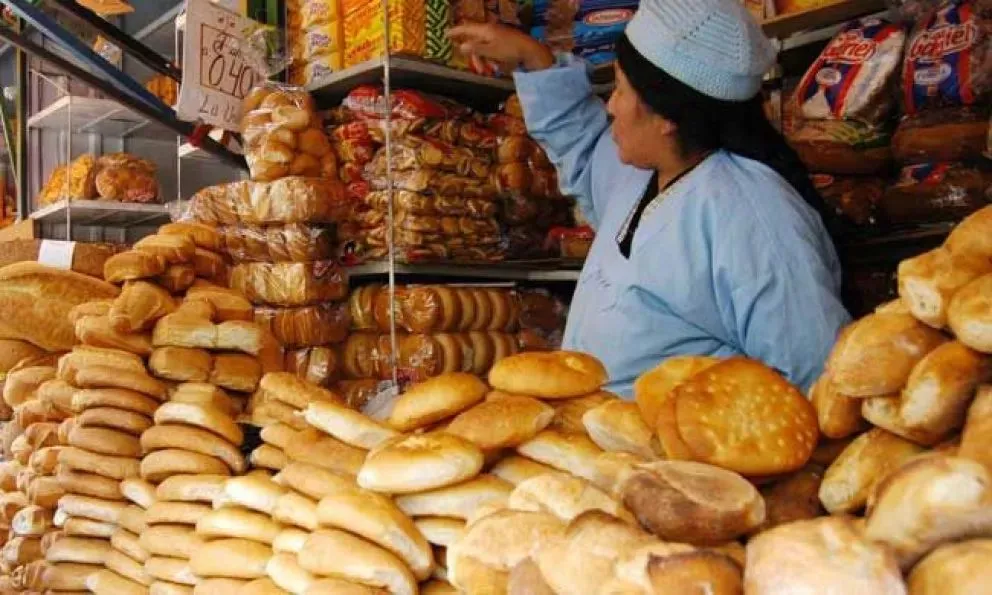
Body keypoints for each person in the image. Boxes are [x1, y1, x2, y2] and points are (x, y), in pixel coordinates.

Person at [450, 0, 851, 397]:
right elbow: (582, 147)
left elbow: (814, 378)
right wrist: (532, 58)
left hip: (682, 439)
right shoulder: (643, 172)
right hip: (603, 434)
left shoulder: (755, 217)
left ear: (667, 118)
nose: (610, 106)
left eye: (621, 90)